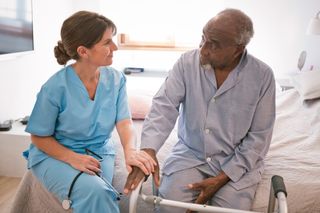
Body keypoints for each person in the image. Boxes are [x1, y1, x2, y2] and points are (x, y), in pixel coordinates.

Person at [124, 8, 276, 212]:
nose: (203, 49)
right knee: (169, 206)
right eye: (203, 38)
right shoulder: (187, 63)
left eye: (213, 44)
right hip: (190, 155)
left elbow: (259, 137)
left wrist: (222, 177)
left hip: (236, 162)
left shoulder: (262, 76)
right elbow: (164, 107)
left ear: (237, 49)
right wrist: (148, 152)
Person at [23, 11, 156, 213]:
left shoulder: (116, 79)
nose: (115, 48)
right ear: (83, 51)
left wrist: (130, 151)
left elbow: (124, 122)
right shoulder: (54, 88)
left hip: (100, 151)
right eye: (107, 43)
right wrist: (72, 158)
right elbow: (39, 137)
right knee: (98, 193)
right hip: (56, 154)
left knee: (102, 193)